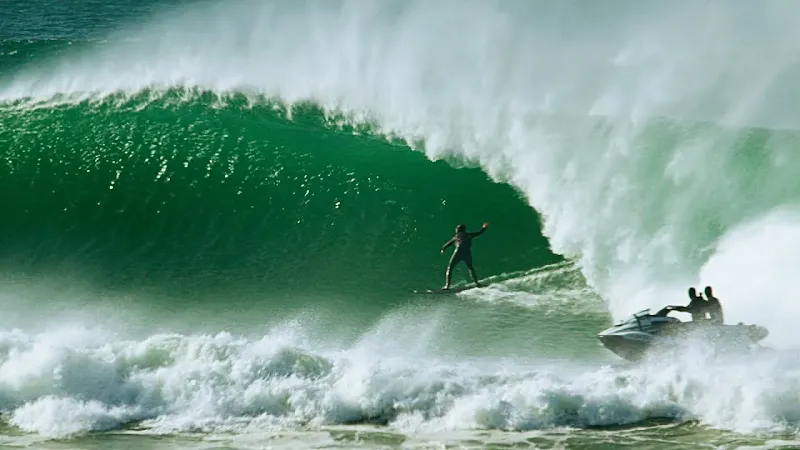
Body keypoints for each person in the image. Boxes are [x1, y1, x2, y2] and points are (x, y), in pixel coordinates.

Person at [440, 222, 489, 290]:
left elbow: (447, 244)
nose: (455, 230)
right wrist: (484, 228)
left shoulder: (456, 237)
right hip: (466, 253)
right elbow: (479, 232)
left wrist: (443, 249)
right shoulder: (469, 235)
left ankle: (447, 286)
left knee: (450, 268)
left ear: (460, 230)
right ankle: (476, 283)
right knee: (470, 268)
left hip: (458, 253)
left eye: (457, 229)